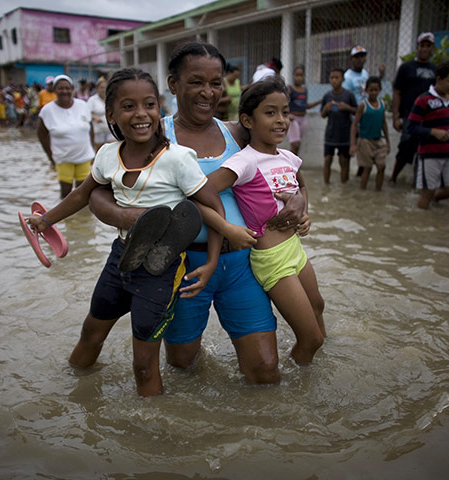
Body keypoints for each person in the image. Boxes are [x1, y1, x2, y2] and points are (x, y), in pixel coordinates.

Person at [89, 42, 308, 384]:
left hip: (242, 265)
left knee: (265, 371)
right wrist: (128, 218)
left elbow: (292, 173)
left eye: (216, 82)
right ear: (173, 84)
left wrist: (299, 202)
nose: (209, 92)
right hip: (181, 270)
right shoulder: (153, 134)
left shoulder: (238, 131)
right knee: (183, 365)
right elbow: (96, 193)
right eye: (196, 82)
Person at [27, 68, 226, 397]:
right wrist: (46, 221)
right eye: (129, 106)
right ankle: (64, 398)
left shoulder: (177, 159)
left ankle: (152, 435)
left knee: (143, 364)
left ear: (159, 109)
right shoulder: (107, 154)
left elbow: (214, 209)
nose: (141, 114)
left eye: (149, 104)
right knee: (90, 334)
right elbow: (81, 195)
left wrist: (212, 262)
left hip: (160, 270)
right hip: (120, 257)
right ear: (112, 115)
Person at [204, 77, 325, 363]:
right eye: (270, 113)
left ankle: (314, 369)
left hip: (295, 249)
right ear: (247, 120)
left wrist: (304, 212)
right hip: (272, 258)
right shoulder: (244, 162)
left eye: (285, 112)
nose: (281, 120)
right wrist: (227, 228)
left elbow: (301, 187)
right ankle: (300, 386)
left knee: (318, 306)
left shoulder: (289, 157)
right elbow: (201, 189)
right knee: (312, 338)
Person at [406, 61, 449, 209]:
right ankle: (421, 223)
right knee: (427, 192)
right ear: (439, 79)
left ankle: (432, 204)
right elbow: (411, 127)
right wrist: (433, 132)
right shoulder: (423, 100)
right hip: (429, 154)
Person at [37, 75, 96, 199]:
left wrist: (93, 150)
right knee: (66, 194)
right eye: (61, 88)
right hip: (63, 158)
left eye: (67, 88)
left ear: (72, 89)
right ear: (55, 90)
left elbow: (90, 129)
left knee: (83, 194)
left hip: (84, 157)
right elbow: (41, 134)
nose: (65, 91)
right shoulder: (47, 111)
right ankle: (66, 219)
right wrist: (50, 156)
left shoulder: (83, 106)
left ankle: (81, 218)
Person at [390, 32, 437, 184]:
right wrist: (396, 116)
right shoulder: (406, 68)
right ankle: (393, 178)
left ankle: (417, 184)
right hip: (409, 116)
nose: (424, 49)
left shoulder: (436, 70)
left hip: (429, 118)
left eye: (427, 46)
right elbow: (397, 92)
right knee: (405, 148)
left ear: (432, 48)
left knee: (423, 151)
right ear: (417, 47)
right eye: (421, 45)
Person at [349, 77, 390, 191]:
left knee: (381, 167)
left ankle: (378, 191)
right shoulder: (363, 105)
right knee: (367, 168)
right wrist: (353, 144)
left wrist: (387, 141)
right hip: (365, 141)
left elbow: (384, 123)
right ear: (366, 91)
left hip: (378, 140)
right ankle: (363, 192)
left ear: (380, 90)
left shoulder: (382, 104)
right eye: (371, 90)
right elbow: (354, 124)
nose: (373, 92)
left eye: (376, 90)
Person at [321, 68, 357, 184]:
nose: (334, 80)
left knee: (344, 161)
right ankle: (326, 185)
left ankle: (344, 185)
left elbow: (357, 111)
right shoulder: (327, 96)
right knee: (327, 160)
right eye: (332, 78)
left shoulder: (349, 95)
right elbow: (322, 115)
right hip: (330, 134)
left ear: (343, 79)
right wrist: (326, 109)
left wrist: (347, 107)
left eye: (337, 78)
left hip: (344, 134)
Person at [287, 65, 322, 156]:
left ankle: (295, 164)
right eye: (297, 75)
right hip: (293, 118)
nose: (299, 78)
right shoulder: (289, 89)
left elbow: (306, 105)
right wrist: (287, 114)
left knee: (298, 144)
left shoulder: (304, 90)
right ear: (293, 76)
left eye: (301, 75)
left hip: (303, 118)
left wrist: (319, 101)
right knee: (295, 143)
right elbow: (283, 103)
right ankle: (291, 164)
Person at [87, 77, 115, 151]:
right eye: (101, 87)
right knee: (100, 151)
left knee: (112, 149)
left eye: (105, 87)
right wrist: (95, 117)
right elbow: (87, 113)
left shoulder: (111, 99)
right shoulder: (92, 100)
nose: (103, 90)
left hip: (110, 130)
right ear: (97, 88)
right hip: (98, 131)